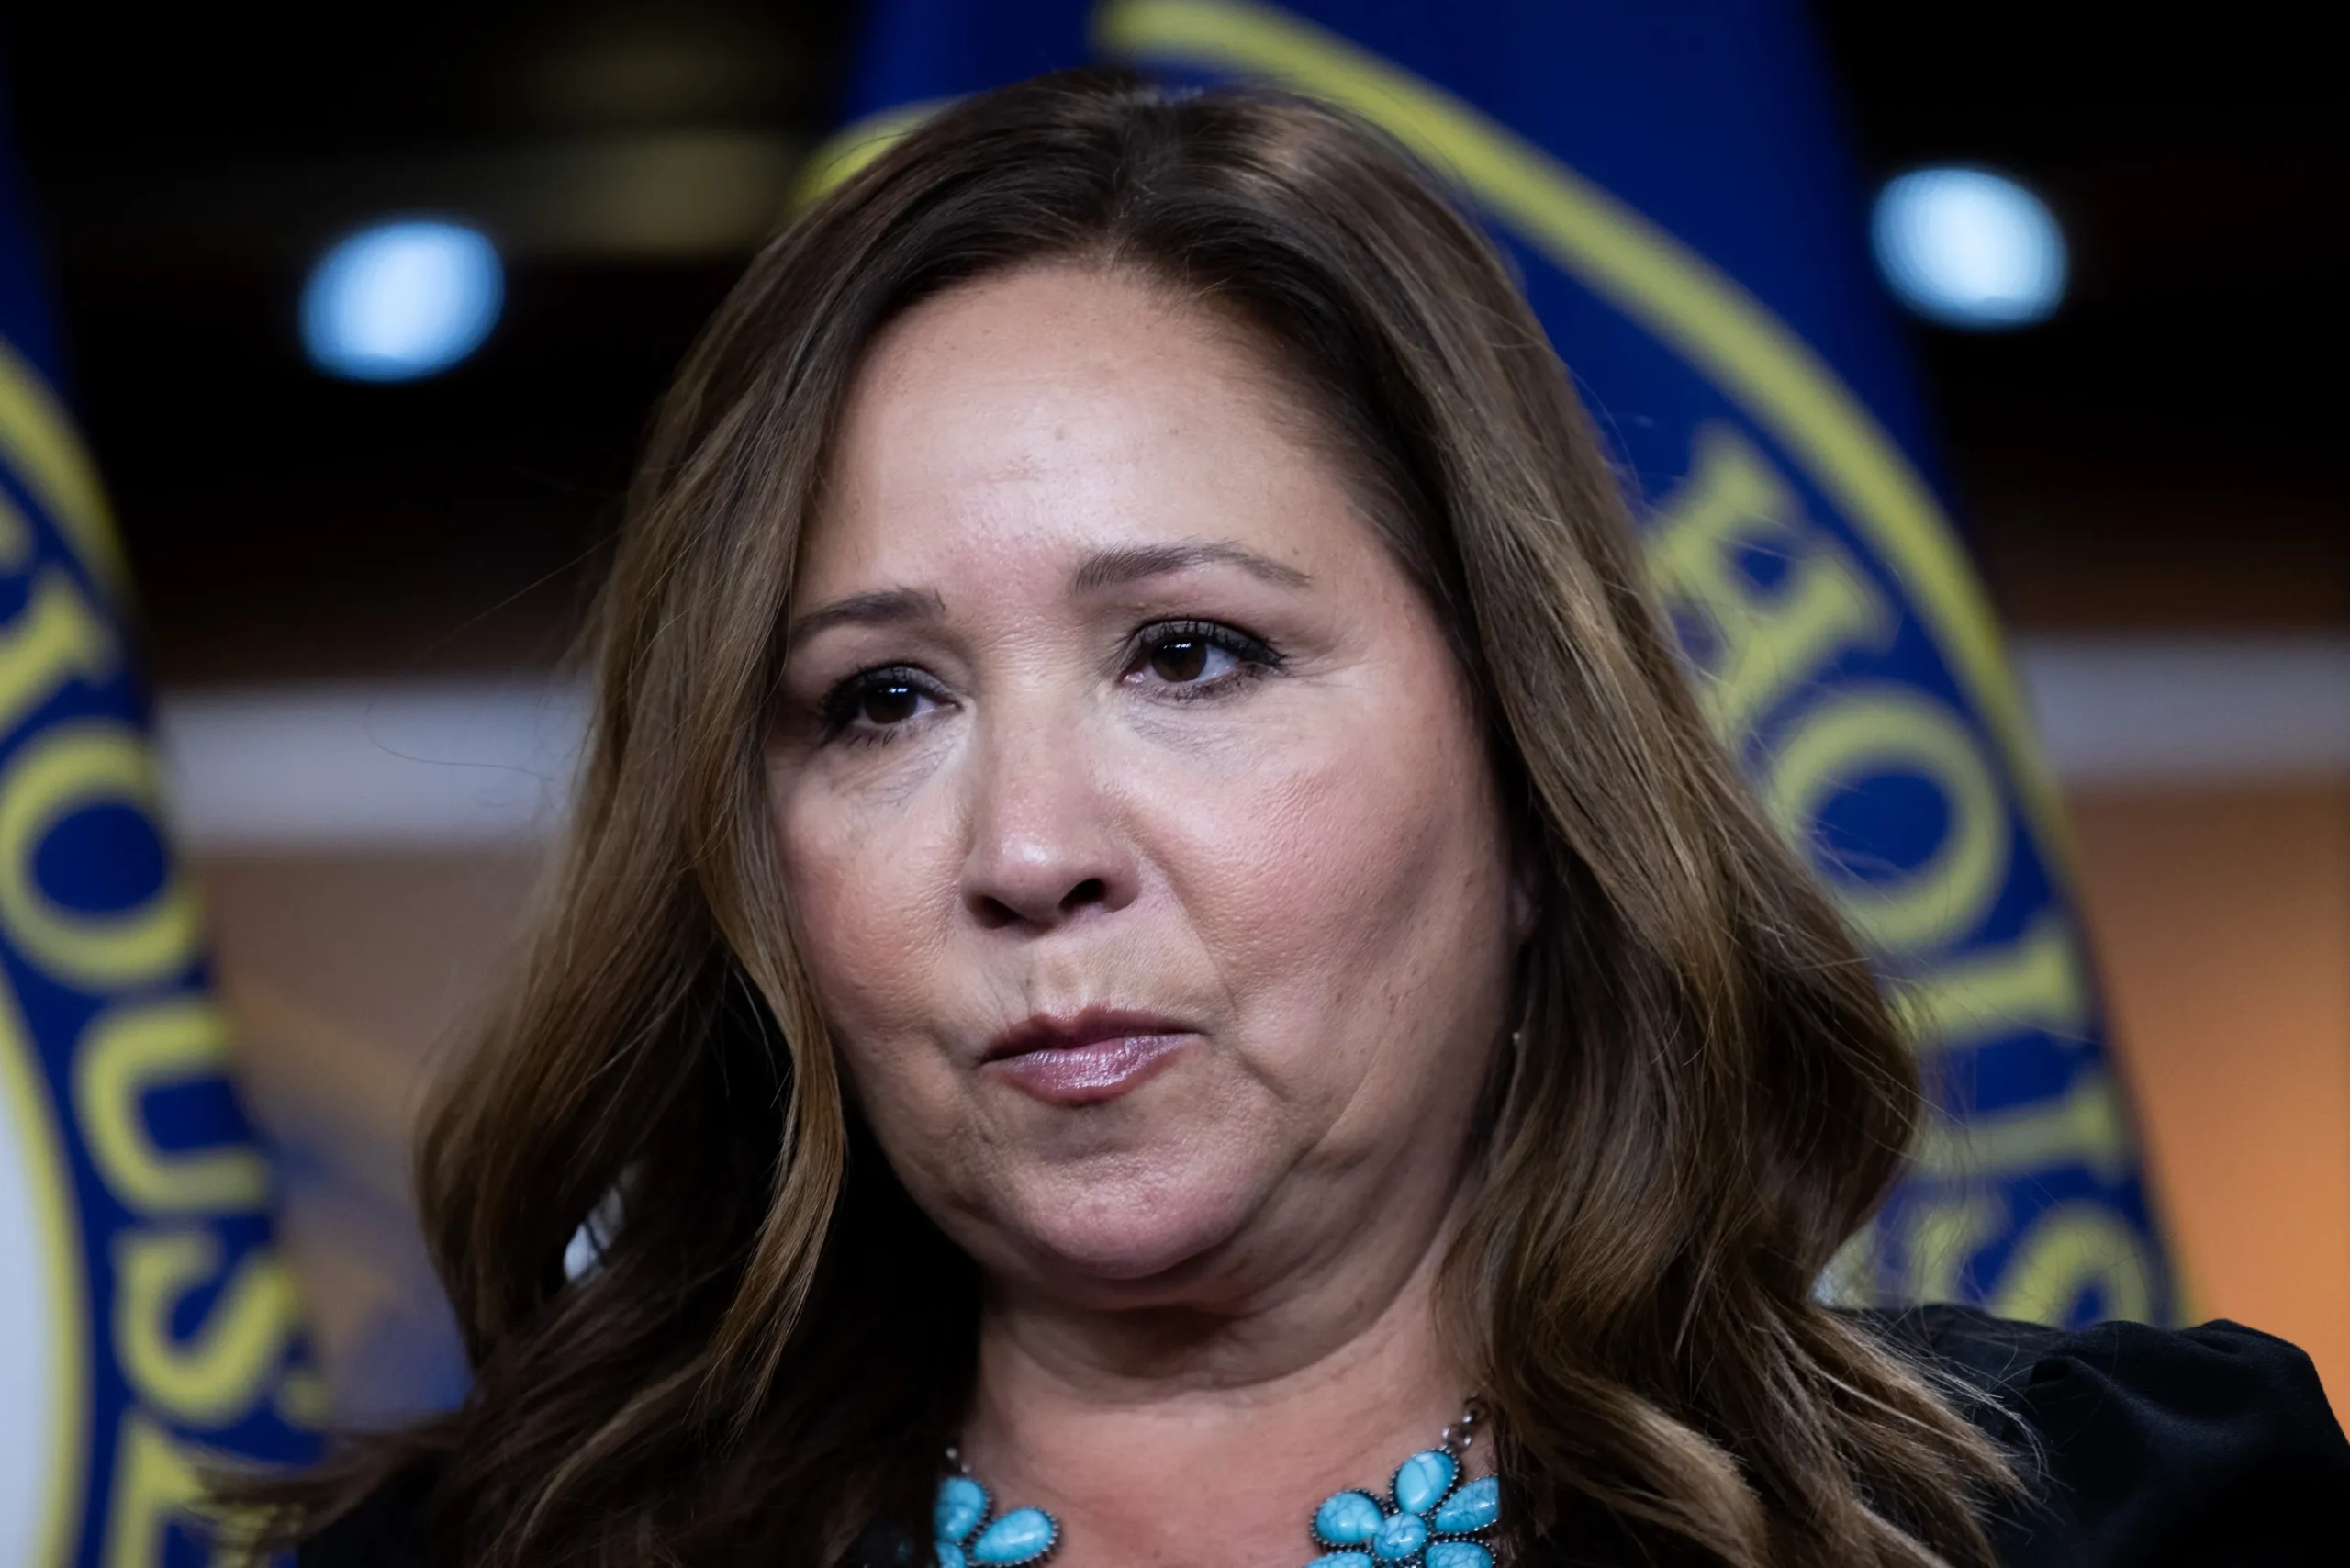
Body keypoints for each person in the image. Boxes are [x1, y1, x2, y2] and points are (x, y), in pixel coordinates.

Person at [266, 70, 2348, 1568]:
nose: (1024, 846)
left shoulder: (2090, 1519)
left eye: (1187, 652)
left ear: (1534, 771)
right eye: (878, 699)